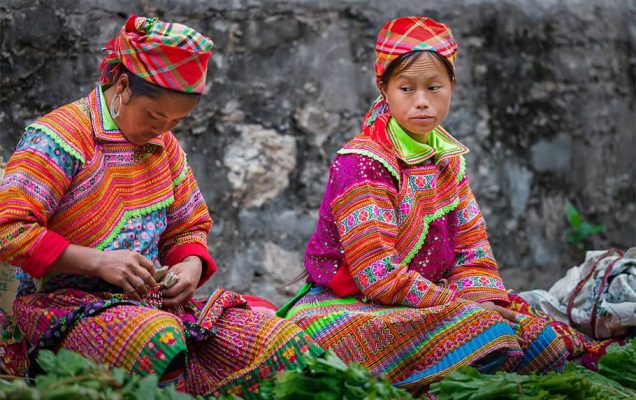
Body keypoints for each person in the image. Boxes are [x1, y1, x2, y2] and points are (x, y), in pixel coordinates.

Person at [0, 15, 321, 398]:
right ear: (122, 85)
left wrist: (190, 265)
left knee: (277, 338)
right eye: (154, 115)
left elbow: (188, 225)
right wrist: (98, 262)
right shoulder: (59, 138)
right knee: (158, 340)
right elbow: (9, 230)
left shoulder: (164, 145)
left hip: (150, 306)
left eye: (175, 120)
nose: (162, 128)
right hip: (62, 307)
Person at [277, 16, 568, 395]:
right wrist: (464, 310)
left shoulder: (447, 158)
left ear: (452, 87)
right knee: (489, 332)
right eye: (406, 88)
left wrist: (481, 300)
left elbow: (472, 250)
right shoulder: (363, 162)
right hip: (351, 307)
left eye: (434, 87)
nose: (421, 102)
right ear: (383, 88)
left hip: (426, 301)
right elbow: (379, 276)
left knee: (543, 342)